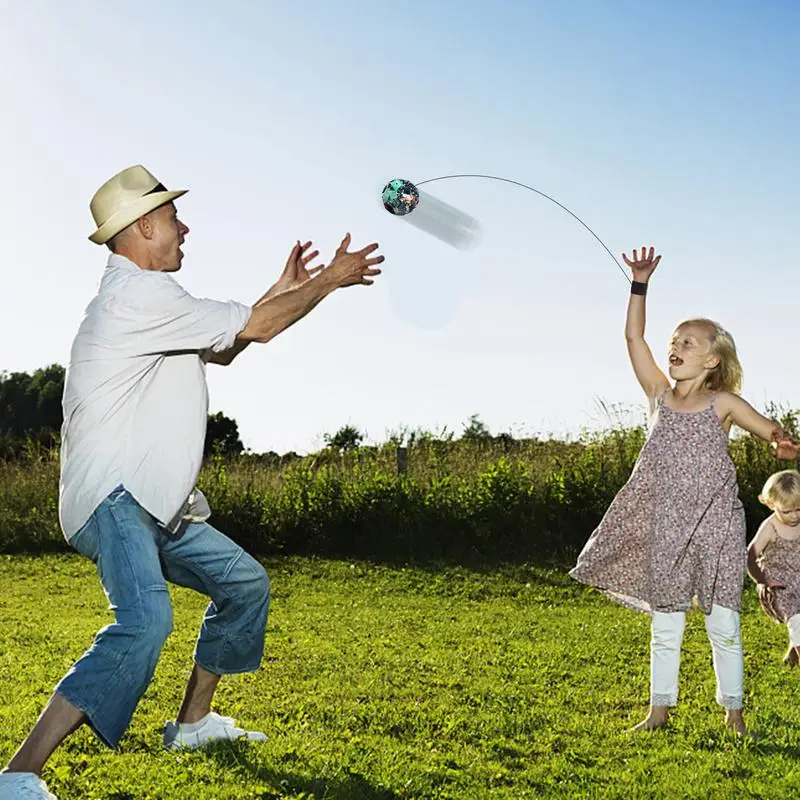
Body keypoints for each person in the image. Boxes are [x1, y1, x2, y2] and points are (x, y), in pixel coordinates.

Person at [0, 164, 384, 800]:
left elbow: (231, 344)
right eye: (174, 217)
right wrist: (327, 282)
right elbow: (256, 327)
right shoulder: (136, 298)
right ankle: (18, 773)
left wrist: (284, 288)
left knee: (244, 584)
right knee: (146, 621)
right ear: (144, 226)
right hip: (114, 497)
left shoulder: (154, 303)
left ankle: (193, 724)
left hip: (156, 500)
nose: (185, 228)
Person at [569, 246, 799, 737]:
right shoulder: (658, 395)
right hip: (667, 527)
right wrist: (639, 283)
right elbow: (633, 336)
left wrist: (780, 441)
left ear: (713, 359)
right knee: (666, 626)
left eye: (689, 342)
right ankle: (658, 712)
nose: (676, 347)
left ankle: (733, 714)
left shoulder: (723, 402)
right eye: (675, 341)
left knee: (723, 625)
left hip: (716, 526)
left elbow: (768, 428)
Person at [747, 469, 800, 667]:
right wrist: (762, 580)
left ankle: (792, 653)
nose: (794, 516)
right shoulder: (770, 527)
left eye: (798, 509)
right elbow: (750, 556)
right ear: (771, 504)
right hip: (778, 584)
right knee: (796, 619)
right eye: (787, 511)